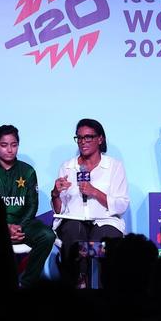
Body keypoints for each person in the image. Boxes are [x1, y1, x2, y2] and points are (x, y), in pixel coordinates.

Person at [0, 125, 56, 288]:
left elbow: (32, 205)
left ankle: (25, 284)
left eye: (14, 145)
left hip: (23, 223)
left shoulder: (28, 171)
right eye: (4, 145)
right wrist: (5, 228)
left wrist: (18, 227)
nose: (10, 150)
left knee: (47, 236)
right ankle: (3, 283)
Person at [52, 118, 129, 287]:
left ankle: (102, 286)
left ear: (100, 139)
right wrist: (55, 194)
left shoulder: (114, 166)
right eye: (79, 137)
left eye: (88, 137)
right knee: (73, 232)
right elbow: (59, 210)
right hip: (74, 220)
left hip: (106, 220)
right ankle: (80, 281)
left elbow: (122, 205)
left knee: (101, 240)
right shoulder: (67, 167)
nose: (82, 141)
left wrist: (94, 192)